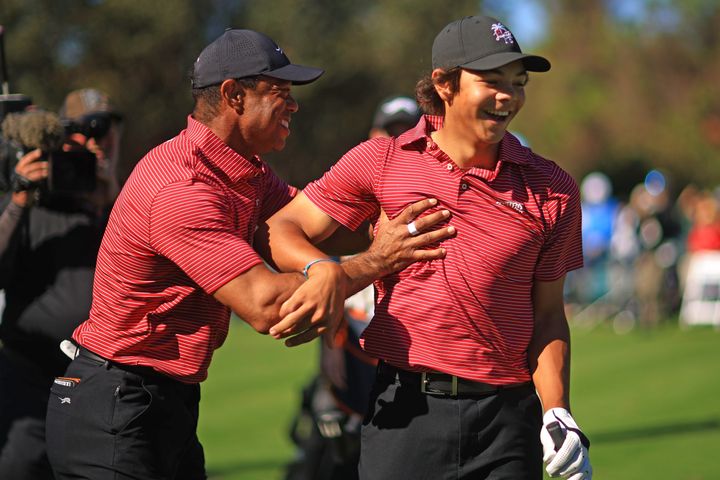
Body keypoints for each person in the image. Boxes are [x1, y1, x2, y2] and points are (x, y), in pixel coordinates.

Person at [43, 29, 453, 480]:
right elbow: (266, 305)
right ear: (233, 95)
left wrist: (413, 203)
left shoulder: (245, 170)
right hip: (113, 406)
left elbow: (316, 229)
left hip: (159, 401)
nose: (293, 105)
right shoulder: (182, 188)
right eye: (280, 93)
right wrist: (377, 260)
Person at [266, 15, 592, 479]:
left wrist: (557, 409)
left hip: (508, 422)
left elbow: (547, 315)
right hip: (406, 416)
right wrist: (326, 271)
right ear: (444, 84)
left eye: (518, 84)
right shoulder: (381, 161)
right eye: (492, 81)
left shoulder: (553, 188)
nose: (509, 96)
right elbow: (283, 227)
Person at [285, 95, 421, 480]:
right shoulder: (351, 205)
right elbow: (327, 283)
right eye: (389, 133)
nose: (395, 143)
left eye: (405, 133)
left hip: (409, 370)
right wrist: (328, 344)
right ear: (374, 135)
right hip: (352, 364)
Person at [0, 89, 123, 480]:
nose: (92, 143)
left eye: (103, 131)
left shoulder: (120, 206)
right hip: (29, 374)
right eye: (81, 133)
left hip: (101, 382)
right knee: (19, 467)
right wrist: (20, 198)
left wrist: (110, 202)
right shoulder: (30, 200)